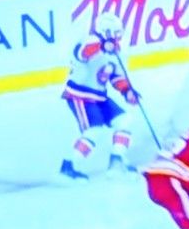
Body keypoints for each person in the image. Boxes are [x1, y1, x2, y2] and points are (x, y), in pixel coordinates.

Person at [58, 25, 139, 176]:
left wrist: (127, 91)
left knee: (124, 120)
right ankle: (69, 165)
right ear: (106, 32)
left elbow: (116, 76)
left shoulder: (116, 51)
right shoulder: (89, 40)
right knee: (94, 131)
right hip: (80, 95)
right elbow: (81, 54)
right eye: (115, 33)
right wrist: (101, 46)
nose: (118, 37)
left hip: (100, 97)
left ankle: (117, 160)